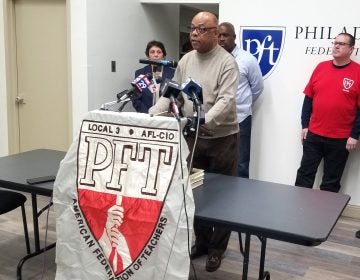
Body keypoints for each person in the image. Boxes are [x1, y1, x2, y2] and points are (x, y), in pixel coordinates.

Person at [149, 11, 239, 272]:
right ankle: (202, 241)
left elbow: (226, 100)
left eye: (202, 29)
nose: (195, 34)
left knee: (221, 197)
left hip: (222, 138)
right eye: (192, 28)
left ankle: (217, 249)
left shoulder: (226, 63)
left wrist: (204, 120)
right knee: (195, 193)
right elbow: (172, 92)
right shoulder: (187, 59)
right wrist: (153, 114)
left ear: (215, 33)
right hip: (193, 136)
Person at [295, 33, 360, 193]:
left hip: (340, 138)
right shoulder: (321, 67)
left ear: (351, 49)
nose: (336, 46)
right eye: (335, 42)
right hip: (314, 134)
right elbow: (308, 98)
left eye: (342, 44)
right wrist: (305, 125)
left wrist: (354, 135)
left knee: (331, 181)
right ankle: (296, 212)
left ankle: (325, 217)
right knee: (304, 175)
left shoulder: (358, 72)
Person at [218, 22, 264, 178]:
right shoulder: (213, 59)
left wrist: (243, 104)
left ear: (234, 37)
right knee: (219, 160)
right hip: (217, 119)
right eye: (218, 35)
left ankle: (240, 199)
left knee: (241, 163)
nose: (221, 39)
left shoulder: (247, 59)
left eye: (225, 35)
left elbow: (257, 87)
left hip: (240, 118)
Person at [132, 40, 175, 113]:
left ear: (164, 56)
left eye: (159, 52)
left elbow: (175, 97)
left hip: (167, 115)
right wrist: (147, 114)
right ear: (148, 56)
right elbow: (136, 98)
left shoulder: (172, 73)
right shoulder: (140, 73)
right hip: (146, 116)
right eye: (152, 52)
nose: (156, 55)